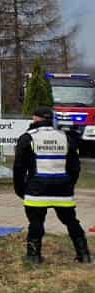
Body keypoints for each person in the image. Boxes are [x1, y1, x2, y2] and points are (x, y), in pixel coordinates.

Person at [14, 102, 88, 264]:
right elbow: (75, 167)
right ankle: (84, 254)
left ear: (35, 118)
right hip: (63, 190)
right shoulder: (65, 137)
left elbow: (19, 167)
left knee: (36, 223)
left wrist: (21, 189)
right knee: (71, 222)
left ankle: (33, 257)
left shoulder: (28, 138)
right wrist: (69, 185)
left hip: (36, 191)